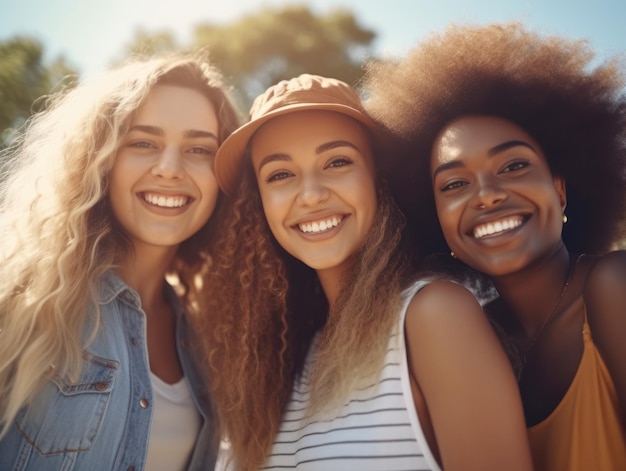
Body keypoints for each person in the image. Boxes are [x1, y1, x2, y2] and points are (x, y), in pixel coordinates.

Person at [197, 73, 533, 471]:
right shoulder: (275, 357)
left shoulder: (434, 315)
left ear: (379, 179)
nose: (311, 194)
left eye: (337, 162)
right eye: (280, 175)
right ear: (259, 205)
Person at [363, 22, 626, 471]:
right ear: (435, 220)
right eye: (455, 183)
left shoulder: (612, 284)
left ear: (560, 190)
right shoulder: (469, 338)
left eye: (514, 165)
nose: (485, 195)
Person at [0, 53, 240, 470]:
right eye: (143, 142)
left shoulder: (211, 337)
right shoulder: (21, 300)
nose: (169, 169)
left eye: (199, 148)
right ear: (101, 158)